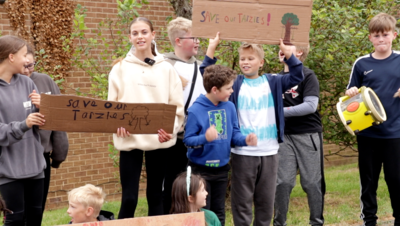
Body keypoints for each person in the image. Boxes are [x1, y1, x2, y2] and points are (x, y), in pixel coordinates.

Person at [201, 39, 303, 225]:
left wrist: (289, 54)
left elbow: (297, 76)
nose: (245, 62)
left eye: (250, 58)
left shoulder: (274, 81)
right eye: (242, 59)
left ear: (261, 62)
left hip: (269, 152)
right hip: (243, 152)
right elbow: (207, 77)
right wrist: (211, 48)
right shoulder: (234, 84)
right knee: (242, 202)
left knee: (265, 202)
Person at [107, 17, 184, 218]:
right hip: (129, 139)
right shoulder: (120, 68)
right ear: (130, 37)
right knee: (129, 198)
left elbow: (176, 106)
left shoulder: (166, 68)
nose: (140, 37)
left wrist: (171, 129)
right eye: (135, 33)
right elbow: (112, 106)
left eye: (144, 32)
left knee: (155, 196)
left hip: (158, 139)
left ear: (153, 35)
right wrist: (117, 125)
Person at [183, 64, 257, 226]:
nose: (232, 91)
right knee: (203, 213)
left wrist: (245, 140)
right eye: (229, 88)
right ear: (215, 90)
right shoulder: (196, 110)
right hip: (200, 171)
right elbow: (188, 141)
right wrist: (205, 138)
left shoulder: (229, 107)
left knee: (219, 212)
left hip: (222, 170)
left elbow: (234, 135)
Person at [345, 13, 400, 226]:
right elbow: (351, 93)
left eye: (385, 35)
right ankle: (369, 220)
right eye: (376, 36)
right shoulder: (361, 63)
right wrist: (350, 92)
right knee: (368, 181)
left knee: (396, 180)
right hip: (367, 133)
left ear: (393, 35)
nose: (381, 40)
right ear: (370, 38)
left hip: (395, 133)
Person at [162, 16, 219, 214]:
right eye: (193, 37)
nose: (197, 41)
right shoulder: (163, 65)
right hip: (170, 138)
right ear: (178, 41)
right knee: (169, 185)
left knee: (190, 187)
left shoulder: (199, 68)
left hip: (194, 139)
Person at [273, 45, 325, 226]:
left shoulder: (308, 75)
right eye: (279, 46)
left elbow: (310, 106)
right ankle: (279, 223)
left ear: (299, 52)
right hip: (283, 136)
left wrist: (279, 111)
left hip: (307, 134)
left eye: (287, 46)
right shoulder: (276, 78)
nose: (281, 48)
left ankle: (316, 222)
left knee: (311, 183)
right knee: (283, 183)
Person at [0, 35, 46, 226]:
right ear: (11, 57)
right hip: (7, 171)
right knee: (14, 220)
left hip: (35, 167)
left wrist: (45, 108)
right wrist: (23, 124)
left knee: (35, 219)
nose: (28, 60)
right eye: (24, 54)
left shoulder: (28, 83)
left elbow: (44, 122)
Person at [23, 44, 70, 214]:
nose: (27, 70)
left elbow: (60, 121)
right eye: (24, 65)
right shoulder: (7, 85)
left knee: (36, 210)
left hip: (42, 156)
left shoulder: (45, 81)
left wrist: (58, 156)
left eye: (31, 65)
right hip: (16, 156)